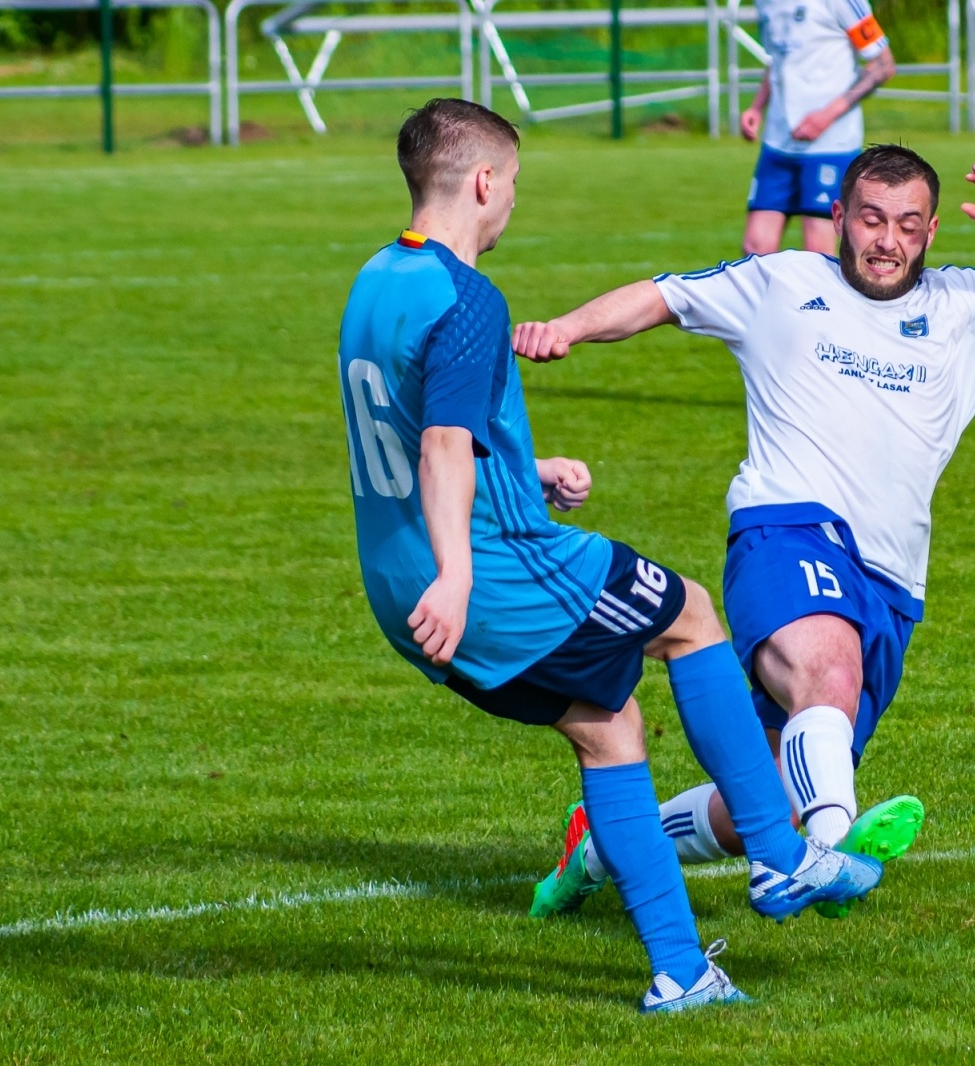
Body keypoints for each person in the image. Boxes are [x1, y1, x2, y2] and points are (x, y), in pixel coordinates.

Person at [337, 98, 882, 1013]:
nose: (512, 202)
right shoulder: (467, 298)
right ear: (482, 182)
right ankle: (783, 858)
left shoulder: (374, 279)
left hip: (399, 584)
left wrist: (524, 468)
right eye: (511, 185)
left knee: (610, 728)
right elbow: (436, 448)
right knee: (693, 616)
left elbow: (408, 424)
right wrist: (463, 573)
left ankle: (681, 971)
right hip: (491, 573)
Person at [513, 143, 975, 918]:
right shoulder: (782, 282)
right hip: (785, 527)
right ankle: (821, 857)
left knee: (764, 798)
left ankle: (598, 850)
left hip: (894, 580)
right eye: (871, 219)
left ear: (932, 231)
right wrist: (565, 328)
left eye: (908, 224)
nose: (887, 240)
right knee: (827, 673)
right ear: (839, 218)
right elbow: (660, 297)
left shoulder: (970, 308)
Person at [740, 0, 896, 256]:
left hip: (830, 144)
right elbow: (779, 57)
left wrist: (826, 115)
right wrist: (757, 107)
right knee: (755, 249)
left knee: (817, 252)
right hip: (778, 142)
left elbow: (882, 65)